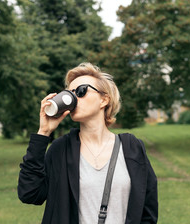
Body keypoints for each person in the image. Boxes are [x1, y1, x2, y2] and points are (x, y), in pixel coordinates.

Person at [18, 63, 158, 224]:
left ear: (104, 100)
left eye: (80, 91)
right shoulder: (61, 149)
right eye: (69, 93)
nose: (72, 99)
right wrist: (43, 133)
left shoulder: (132, 148)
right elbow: (29, 193)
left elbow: (149, 209)